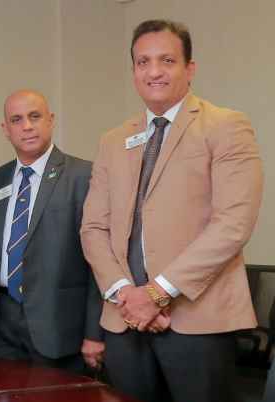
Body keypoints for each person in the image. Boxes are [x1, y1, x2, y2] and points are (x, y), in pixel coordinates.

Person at [80, 19, 263, 402]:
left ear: (189, 68)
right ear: (133, 70)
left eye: (167, 60)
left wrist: (157, 293)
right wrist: (125, 293)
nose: (154, 71)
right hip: (124, 318)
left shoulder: (225, 126)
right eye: (143, 62)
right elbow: (93, 228)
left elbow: (233, 224)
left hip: (198, 322)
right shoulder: (113, 140)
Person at [0, 90, 104, 374]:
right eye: (16, 120)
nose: (27, 126)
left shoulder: (83, 176)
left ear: (51, 120)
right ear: (5, 130)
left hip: (59, 325)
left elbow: (98, 262)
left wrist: (95, 332)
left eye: (34, 116)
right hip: (3, 321)